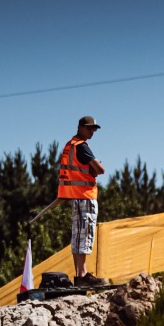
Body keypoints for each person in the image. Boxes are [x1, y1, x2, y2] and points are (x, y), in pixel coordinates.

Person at [57, 116, 107, 286]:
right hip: (85, 196)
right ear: (80, 127)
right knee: (84, 235)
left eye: (94, 129)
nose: (92, 132)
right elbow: (100, 169)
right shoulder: (82, 147)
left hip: (76, 196)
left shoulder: (70, 145)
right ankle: (83, 275)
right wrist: (96, 167)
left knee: (78, 235)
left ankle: (80, 275)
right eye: (89, 128)